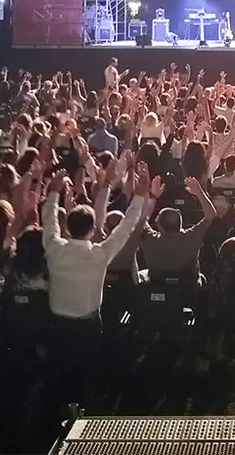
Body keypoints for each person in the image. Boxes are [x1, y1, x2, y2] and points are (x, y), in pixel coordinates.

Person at [42, 158, 153, 403]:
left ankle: (57, 407)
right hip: (86, 325)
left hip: (57, 323)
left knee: (59, 370)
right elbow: (126, 227)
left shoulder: (53, 247)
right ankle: (78, 406)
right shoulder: (99, 254)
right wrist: (139, 196)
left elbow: (49, 220)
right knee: (83, 371)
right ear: (93, 230)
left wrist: (53, 192)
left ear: (68, 228)